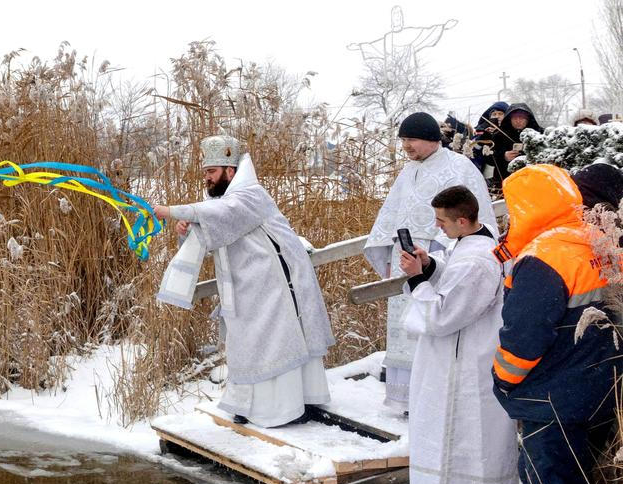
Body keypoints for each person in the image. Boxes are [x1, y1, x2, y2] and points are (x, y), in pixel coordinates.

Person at [492, 164, 621, 484]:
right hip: (602, 392)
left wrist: (503, 380)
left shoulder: (545, 256)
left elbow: (524, 337)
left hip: (552, 397)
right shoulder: (597, 244)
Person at [154, 135, 335, 427]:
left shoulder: (251, 194)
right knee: (247, 346)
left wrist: (173, 210)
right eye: (205, 172)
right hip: (247, 287)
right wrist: (185, 227)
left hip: (276, 286)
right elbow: (212, 229)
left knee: (274, 344)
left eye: (212, 172)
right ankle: (251, 407)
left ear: (231, 171)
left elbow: (224, 214)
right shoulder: (226, 200)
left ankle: (286, 409)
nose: (207, 178)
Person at [396, 185, 517, 484]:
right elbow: (455, 283)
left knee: (459, 439)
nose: (438, 227)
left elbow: (444, 314)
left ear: (463, 220)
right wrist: (432, 267)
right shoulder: (476, 246)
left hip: (462, 367)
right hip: (460, 358)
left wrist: (417, 279)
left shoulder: (478, 261)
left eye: (442, 221)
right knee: (457, 439)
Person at [364, 112, 497, 409]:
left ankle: (431, 400)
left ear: (430, 138)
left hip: (443, 259)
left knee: (434, 326)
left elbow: (477, 217)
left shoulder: (460, 167)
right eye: (403, 141)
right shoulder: (407, 171)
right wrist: (387, 251)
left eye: (411, 140)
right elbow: (389, 215)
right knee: (405, 333)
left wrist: (448, 255)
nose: (406, 146)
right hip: (408, 258)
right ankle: (406, 400)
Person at [491, 103, 543, 190]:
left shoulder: (539, 134)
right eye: (515, 118)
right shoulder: (499, 136)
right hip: (507, 180)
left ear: (528, 119)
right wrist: (503, 156)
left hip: (534, 179)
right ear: (509, 119)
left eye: (522, 118)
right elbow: (490, 157)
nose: (518, 121)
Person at [470, 101, 509, 174]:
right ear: (489, 117)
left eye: (500, 113)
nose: (497, 116)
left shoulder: (511, 132)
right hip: (487, 173)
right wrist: (482, 139)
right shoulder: (481, 132)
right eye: (494, 114)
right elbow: (472, 152)